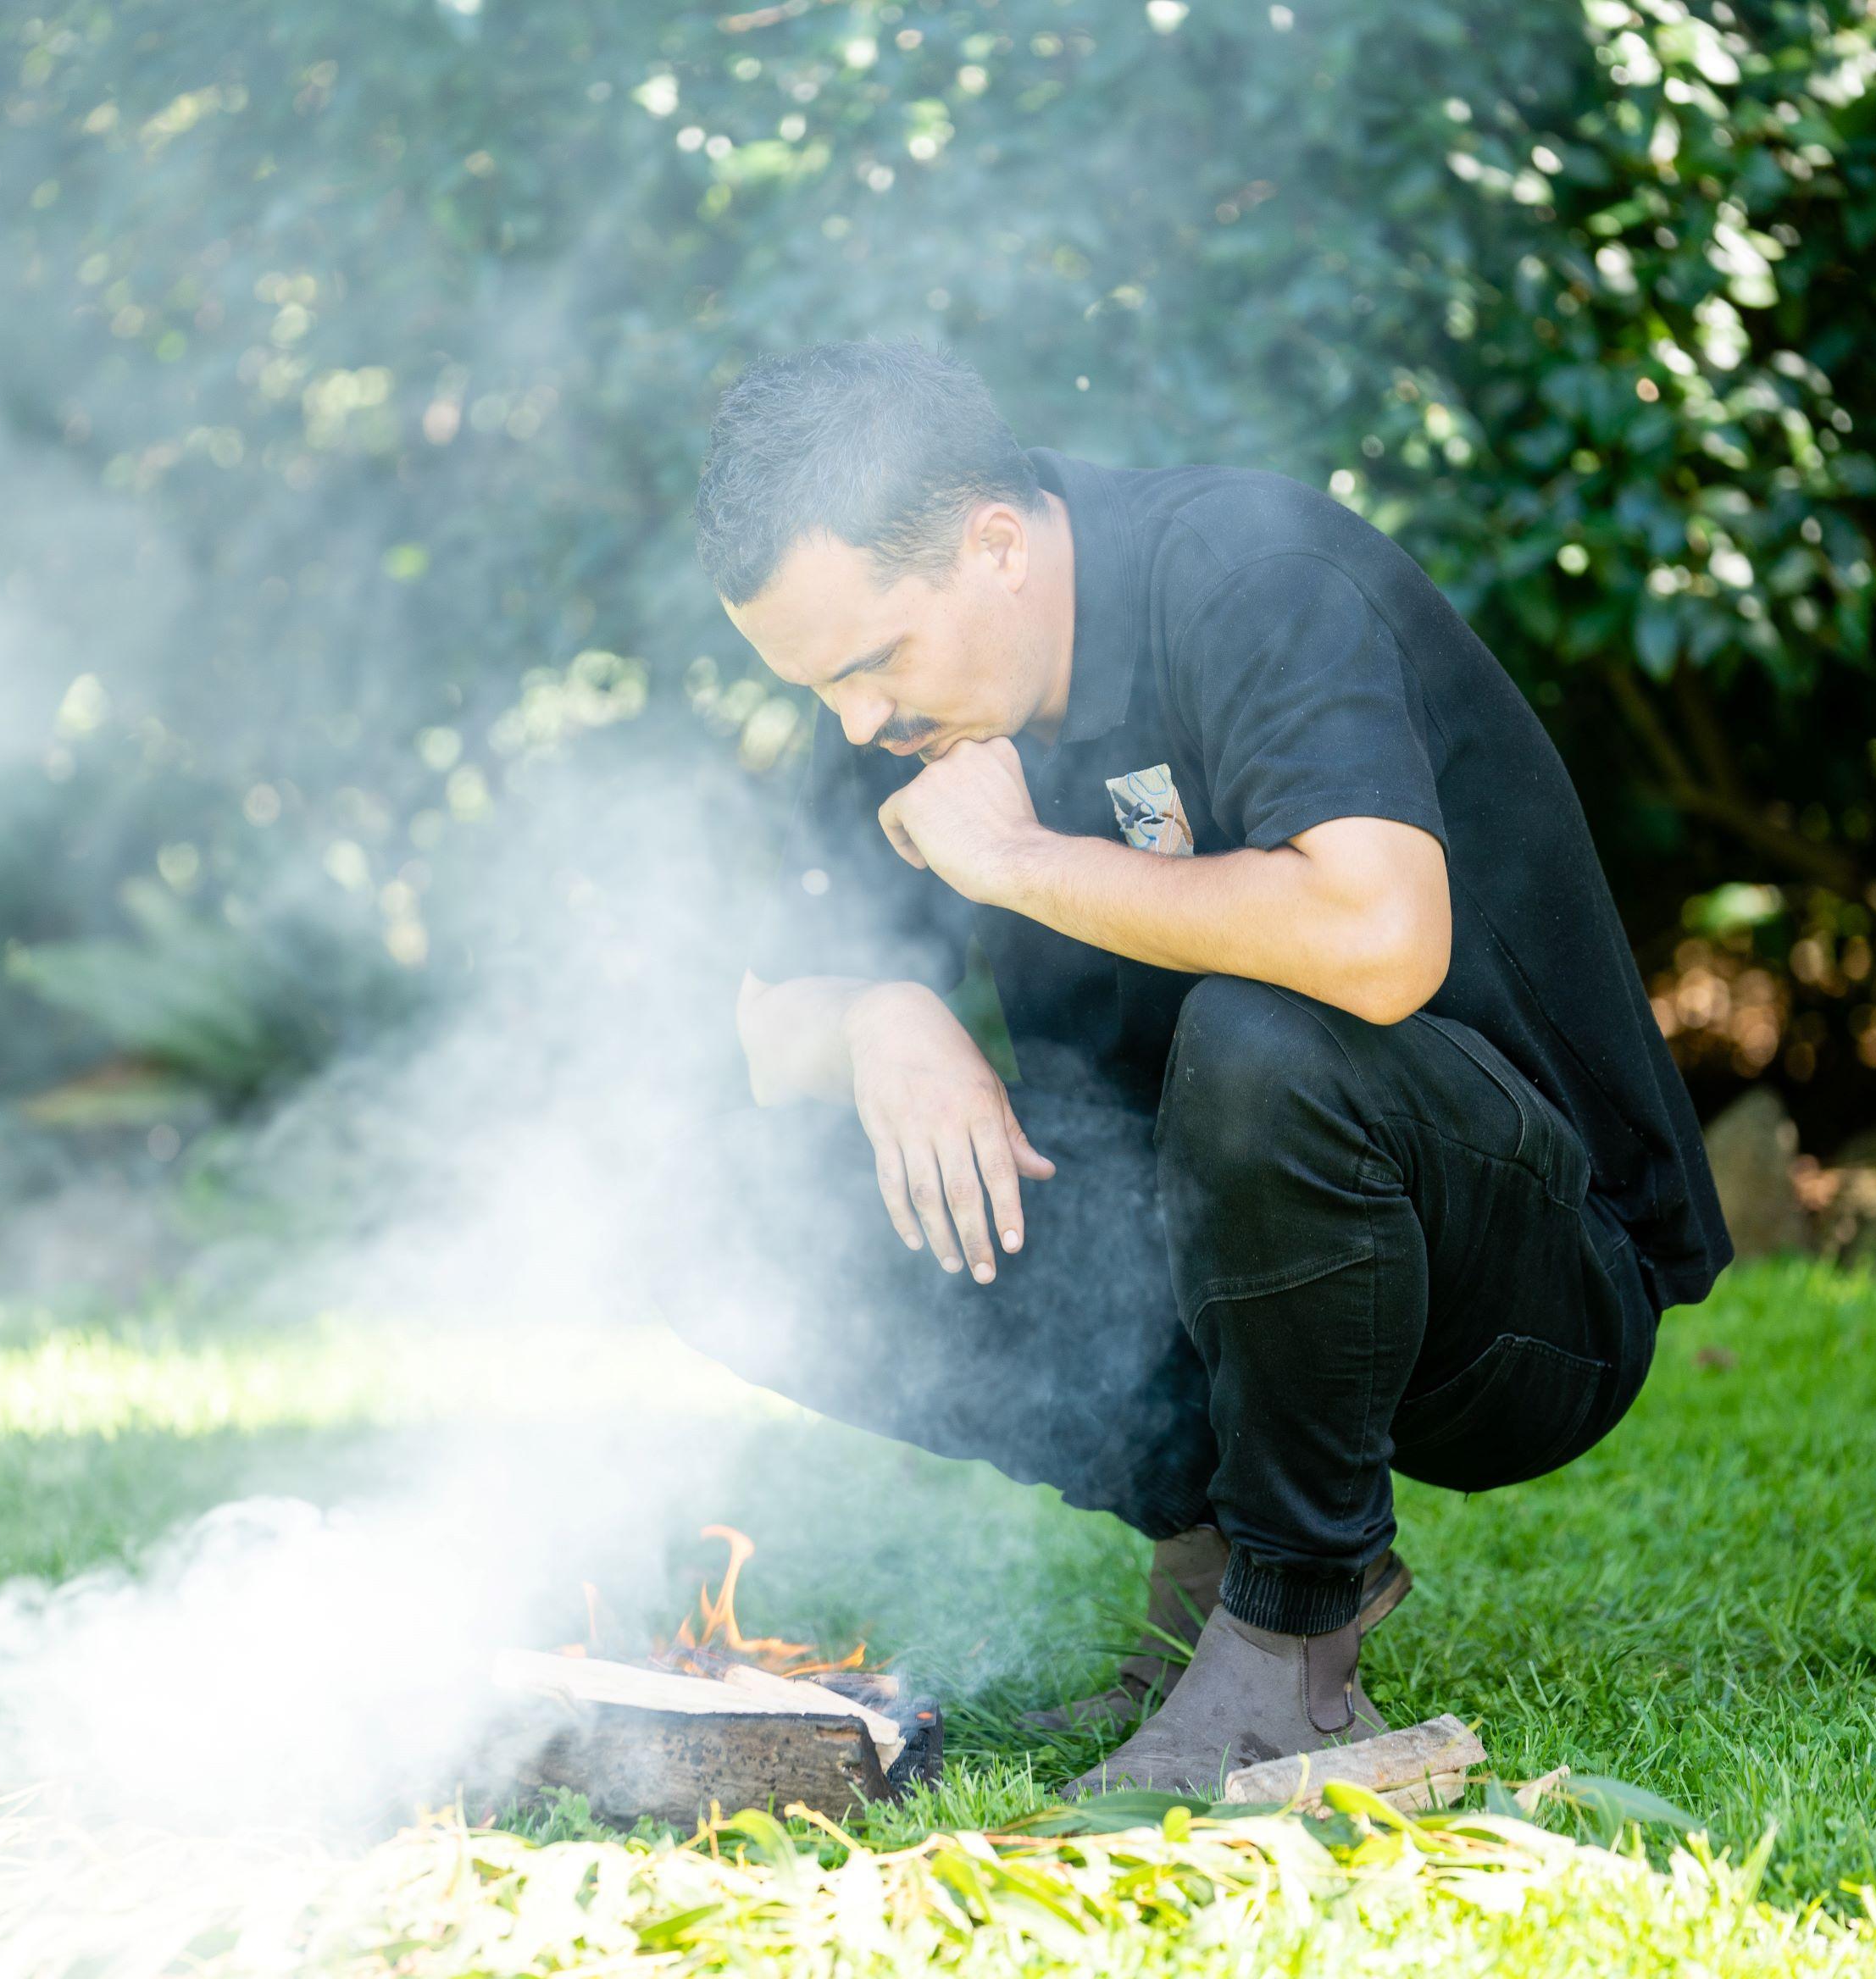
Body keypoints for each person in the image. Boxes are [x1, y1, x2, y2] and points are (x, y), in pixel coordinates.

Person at [678, 341, 1729, 1794]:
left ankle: (1294, 1645)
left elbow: (1378, 938)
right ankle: (1216, 1563)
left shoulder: (1246, 574)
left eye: (869, 666)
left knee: (1262, 1033)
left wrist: (1029, 862)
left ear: (994, 547)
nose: (857, 724)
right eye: (819, 687)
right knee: (697, 1183)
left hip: (1516, 1288)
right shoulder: (898, 709)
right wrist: (876, 1022)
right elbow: (752, 1021)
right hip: (1200, 1241)